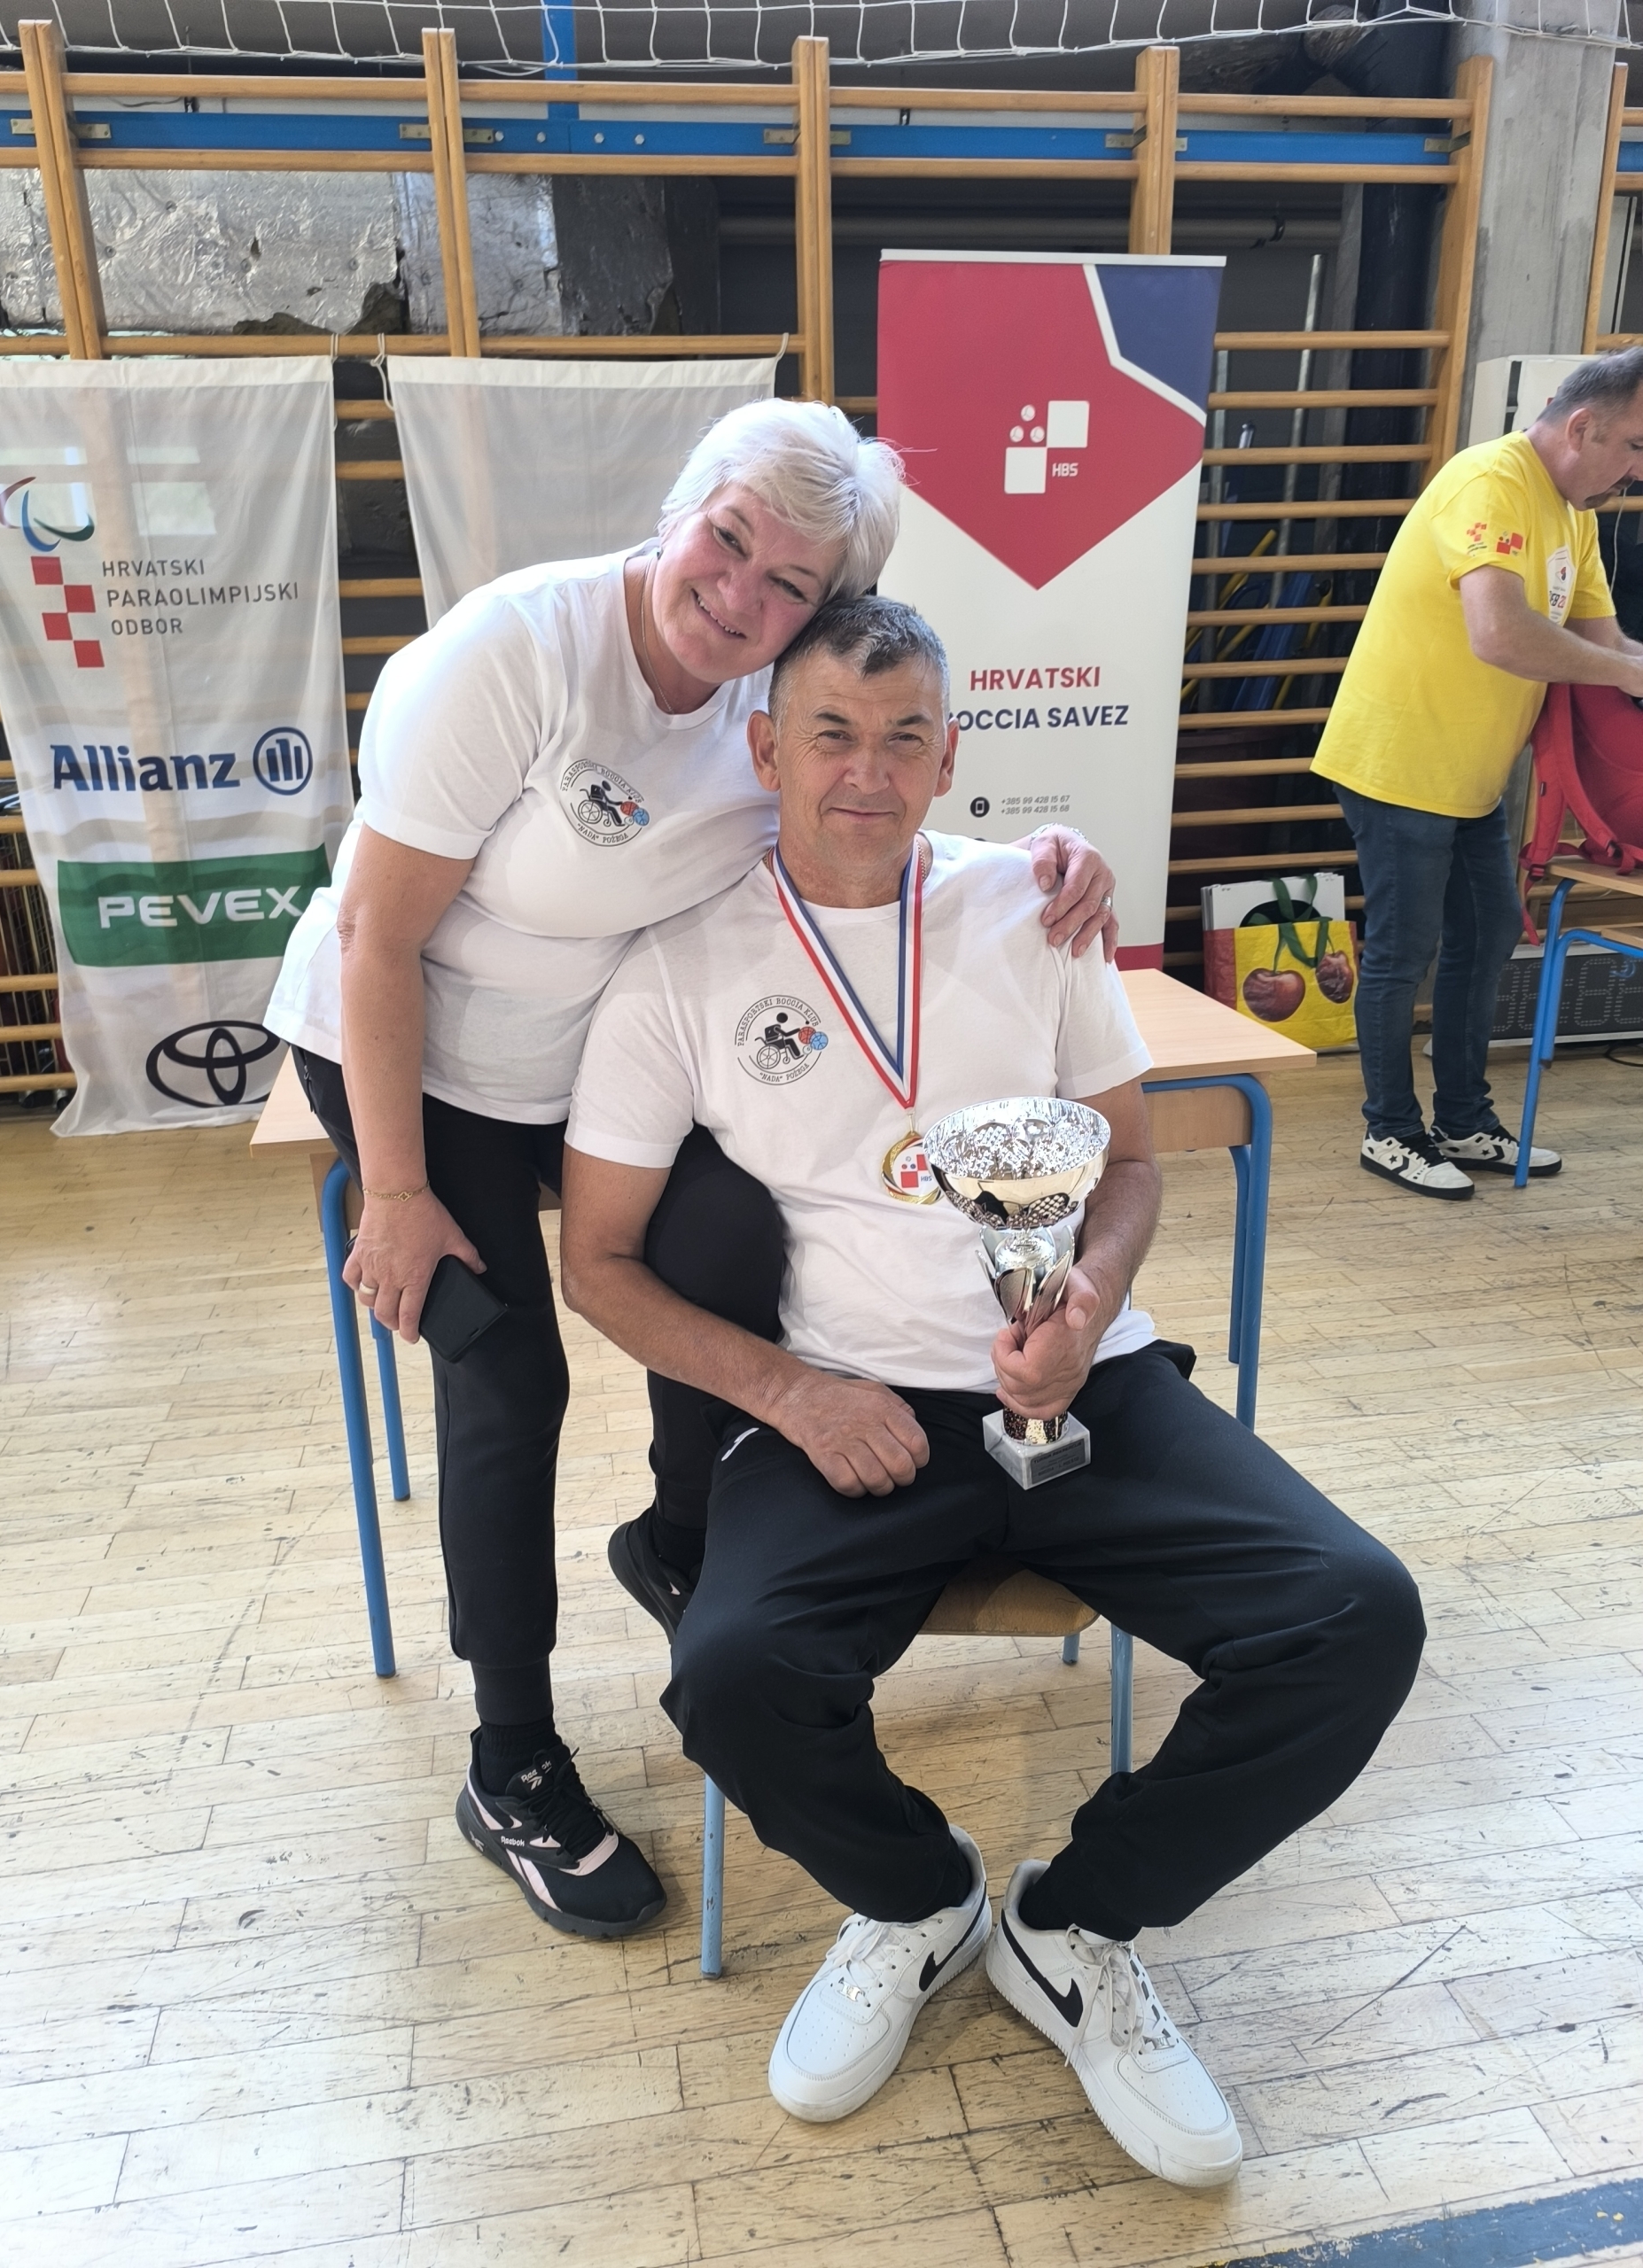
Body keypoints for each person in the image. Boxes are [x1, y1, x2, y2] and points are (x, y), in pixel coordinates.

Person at [559, 597, 1425, 2186]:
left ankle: (1073, 1925)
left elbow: (1133, 1164)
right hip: (851, 1405)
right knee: (731, 1674)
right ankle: (916, 1899)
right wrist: (797, 1398)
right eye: (831, 734)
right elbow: (598, 1264)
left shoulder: (1035, 909)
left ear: (950, 753)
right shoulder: (678, 963)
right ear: (766, 749)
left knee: (1358, 1615)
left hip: (1087, 1378)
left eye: (905, 738)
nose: (868, 773)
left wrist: (1086, 1304)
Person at [263, 400, 1117, 1943]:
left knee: (727, 1243)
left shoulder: (768, 706)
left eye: (788, 584)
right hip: (409, 1056)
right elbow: (378, 935)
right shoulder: (518, 650)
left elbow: (875, 798)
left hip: (586, 1064)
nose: (738, 594)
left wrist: (1043, 854)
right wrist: (395, 1193)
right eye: (727, 542)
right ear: (680, 511)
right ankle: (511, 1760)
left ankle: (679, 1542)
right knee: (507, 1371)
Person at [1311, 347, 1643, 1199]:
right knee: (1402, 951)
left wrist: (1633, 669)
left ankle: (1461, 1118)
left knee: (1490, 932)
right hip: (1399, 761)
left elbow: (1607, 646)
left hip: (1471, 774)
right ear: (1583, 427)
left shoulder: (1575, 515)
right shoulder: (1489, 481)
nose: (1638, 471)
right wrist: (1627, 671)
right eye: (1635, 448)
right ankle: (1390, 1131)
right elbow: (1498, 634)